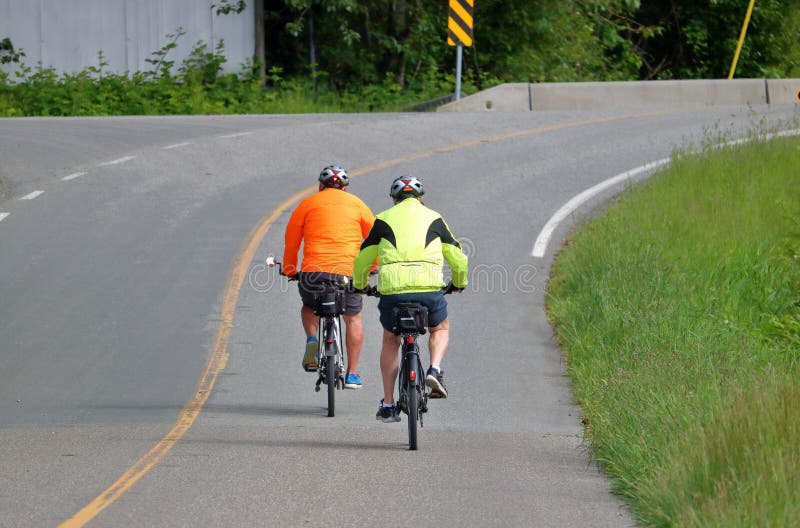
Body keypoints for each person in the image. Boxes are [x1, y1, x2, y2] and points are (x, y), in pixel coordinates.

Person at [353, 175, 468, 422]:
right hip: (428, 288)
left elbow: (362, 259)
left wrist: (361, 286)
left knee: (391, 341)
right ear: (421, 197)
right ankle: (434, 369)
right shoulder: (434, 218)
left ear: (394, 199)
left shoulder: (383, 219)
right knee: (440, 328)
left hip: (393, 291)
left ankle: (388, 403)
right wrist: (459, 283)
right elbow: (458, 257)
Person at [283, 165, 375, 389]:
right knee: (353, 317)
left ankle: (313, 339)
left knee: (308, 306)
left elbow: (292, 240)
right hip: (349, 273)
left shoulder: (307, 204)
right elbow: (374, 238)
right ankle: (352, 373)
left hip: (314, 273)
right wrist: (372, 267)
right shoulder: (357, 204)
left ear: (320, 186)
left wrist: (289, 268)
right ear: (344, 188)